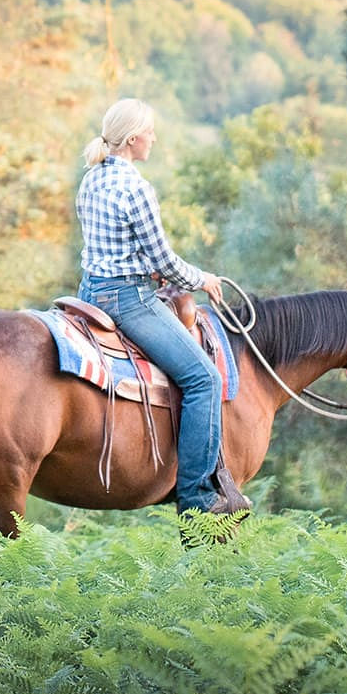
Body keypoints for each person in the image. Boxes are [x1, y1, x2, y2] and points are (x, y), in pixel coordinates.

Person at [76, 98, 247, 515]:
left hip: (88, 294)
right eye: (149, 131)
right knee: (204, 378)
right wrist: (203, 280)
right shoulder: (135, 187)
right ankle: (197, 499)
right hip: (128, 300)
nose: (154, 138)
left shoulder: (91, 179)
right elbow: (163, 261)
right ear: (133, 139)